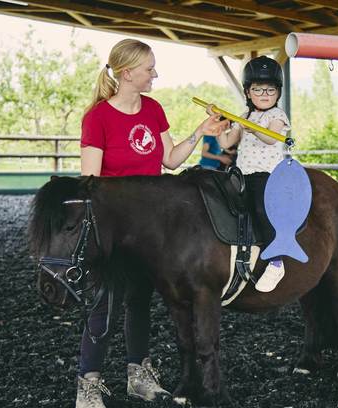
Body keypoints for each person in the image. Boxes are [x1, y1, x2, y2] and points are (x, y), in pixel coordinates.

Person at [77, 39, 228, 408]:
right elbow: (90, 181)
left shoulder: (154, 110)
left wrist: (200, 131)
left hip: (150, 235)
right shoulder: (97, 118)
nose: (155, 74)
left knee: (140, 303)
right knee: (103, 307)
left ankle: (137, 376)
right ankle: (89, 386)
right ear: (127, 73)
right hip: (113, 232)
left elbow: (171, 160)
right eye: (149, 69)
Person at [214, 55, 291, 293]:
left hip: (266, 175)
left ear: (278, 93)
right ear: (248, 92)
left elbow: (270, 138)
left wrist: (252, 129)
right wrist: (220, 127)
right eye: (258, 89)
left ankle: (277, 261)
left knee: (260, 208)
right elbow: (227, 143)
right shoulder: (244, 116)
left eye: (270, 89)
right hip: (241, 173)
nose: (265, 94)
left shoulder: (276, 116)